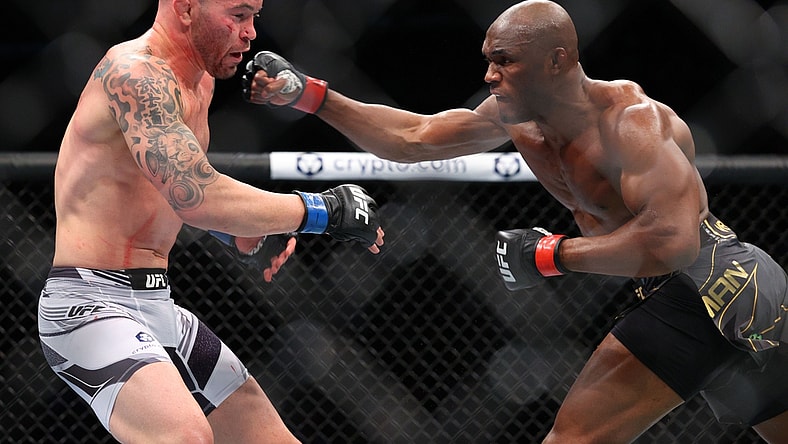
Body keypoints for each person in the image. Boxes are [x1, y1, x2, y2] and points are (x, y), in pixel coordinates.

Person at [243, 0, 788, 442]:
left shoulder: (632, 122)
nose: (490, 74)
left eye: (505, 60)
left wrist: (552, 255)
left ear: (555, 60)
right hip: (716, 290)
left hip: (704, 282)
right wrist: (311, 96)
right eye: (488, 58)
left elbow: (673, 240)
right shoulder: (515, 118)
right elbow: (413, 139)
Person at [37, 0, 385, 442]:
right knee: (186, 437)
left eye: (255, 16)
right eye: (238, 15)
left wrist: (243, 231)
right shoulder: (135, 74)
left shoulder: (199, 84)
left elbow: (168, 190)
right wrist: (322, 211)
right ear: (185, 9)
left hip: (157, 306)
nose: (251, 32)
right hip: (89, 304)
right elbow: (197, 194)